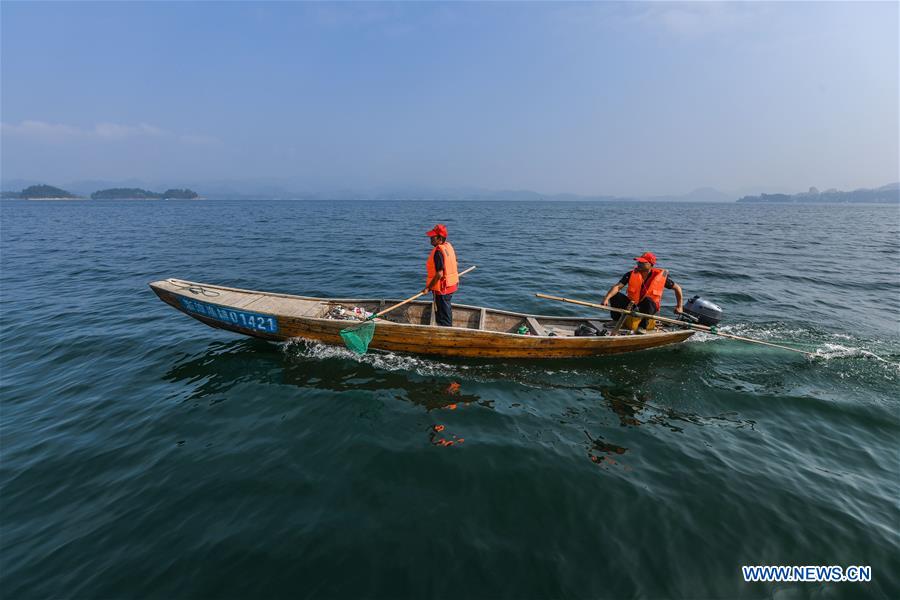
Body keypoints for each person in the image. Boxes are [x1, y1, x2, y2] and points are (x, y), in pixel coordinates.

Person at [600, 252, 684, 331]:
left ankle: (643, 326)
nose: (638, 264)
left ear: (651, 264)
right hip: (633, 305)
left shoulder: (661, 278)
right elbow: (618, 287)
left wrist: (679, 306)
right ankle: (616, 320)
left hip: (649, 308)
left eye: (642, 262)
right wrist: (606, 298)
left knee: (648, 300)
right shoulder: (630, 274)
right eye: (638, 262)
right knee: (616, 295)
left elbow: (677, 288)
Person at [422, 224, 459, 326]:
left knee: (444, 316)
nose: (430, 238)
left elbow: (439, 274)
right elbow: (456, 262)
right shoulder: (448, 246)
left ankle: (447, 333)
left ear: (440, 238)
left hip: (443, 289)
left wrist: (428, 288)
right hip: (451, 286)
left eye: (433, 236)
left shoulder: (438, 252)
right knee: (446, 311)